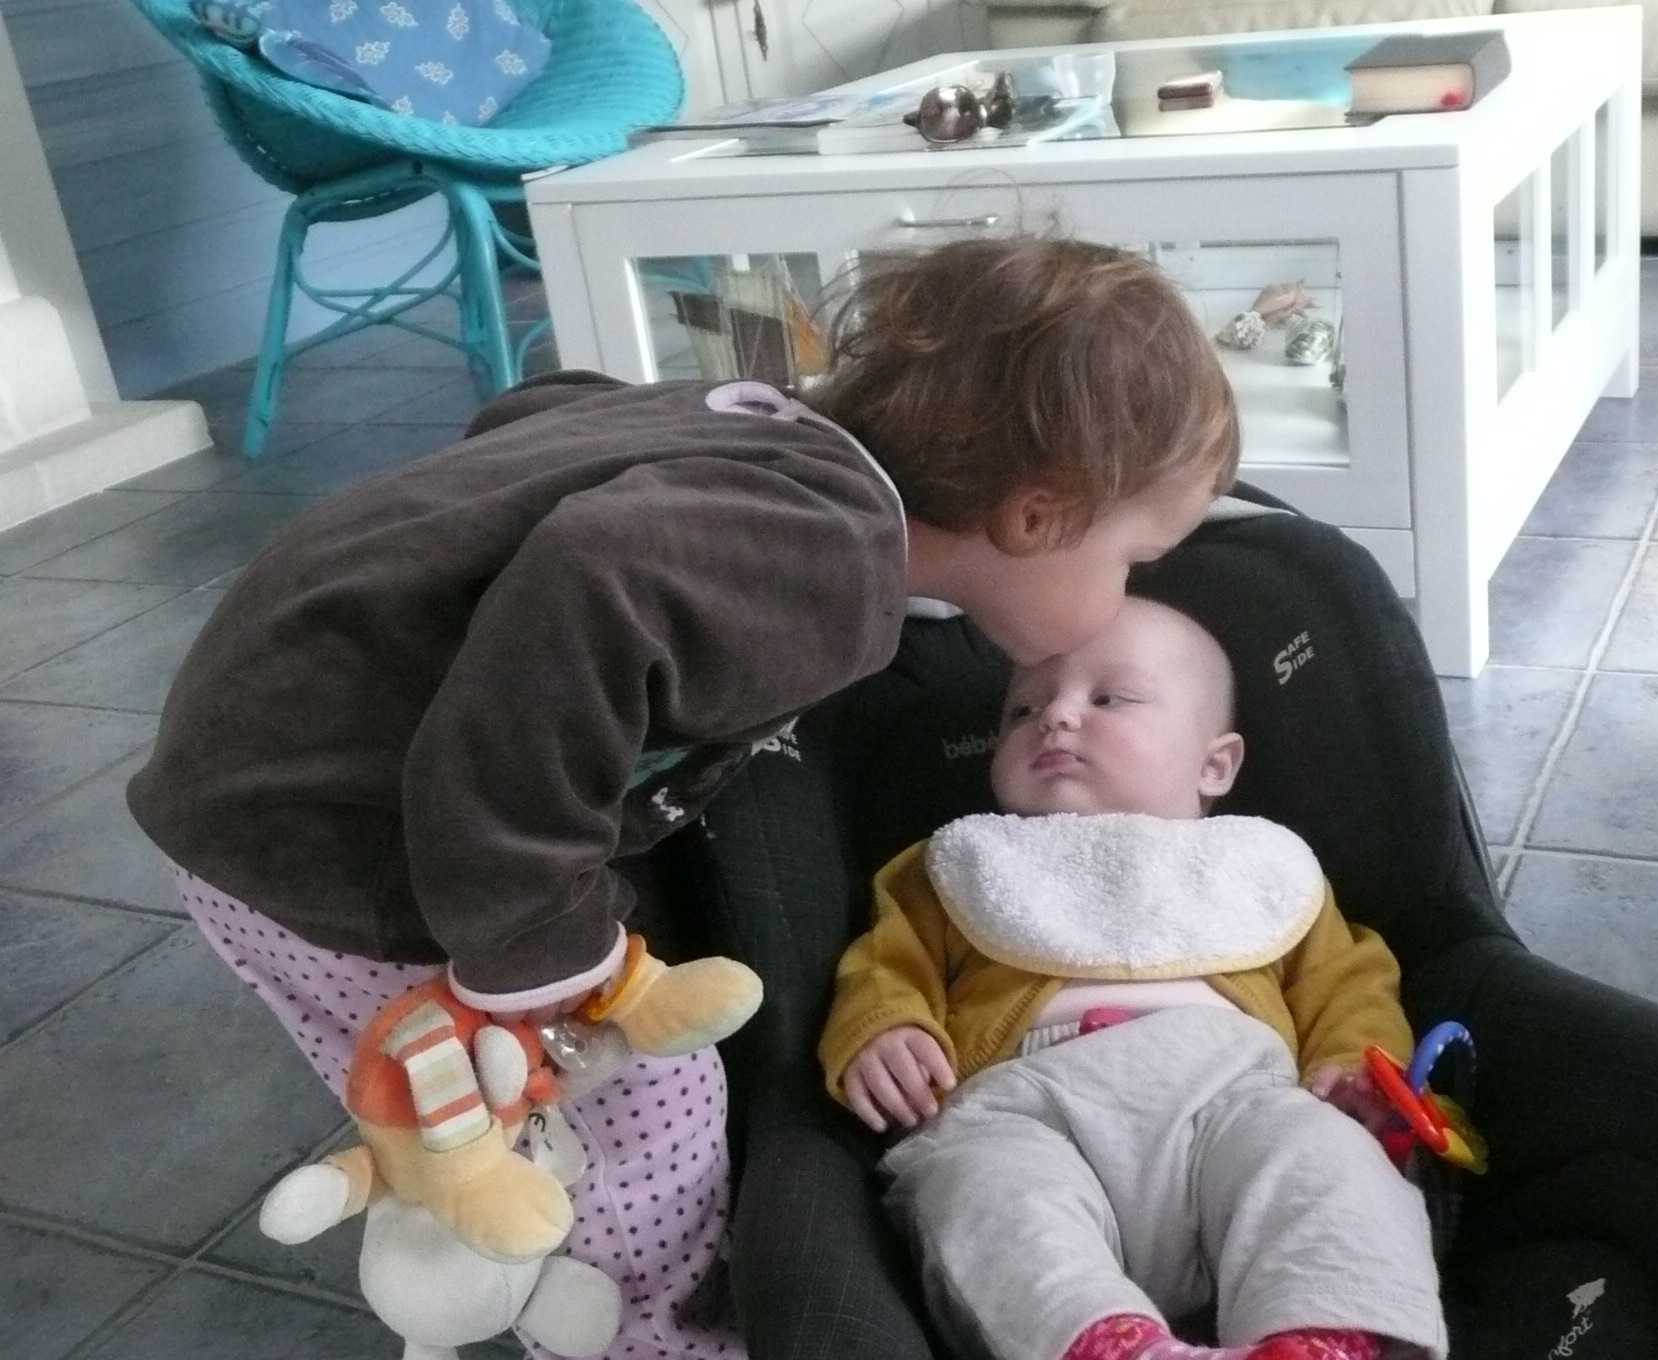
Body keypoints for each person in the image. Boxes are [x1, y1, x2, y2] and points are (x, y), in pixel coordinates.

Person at [126, 237, 1240, 1360]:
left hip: (248, 733)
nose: (1126, 593)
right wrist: (532, 931)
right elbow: (595, 569)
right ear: (1035, 518)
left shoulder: (772, 431)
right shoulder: (827, 566)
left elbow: (540, 410)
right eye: (1131, 558)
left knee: (487, 1110)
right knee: (633, 1102)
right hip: (321, 822)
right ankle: (655, 1335)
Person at [820, 598, 1448, 1360]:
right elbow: (885, 963)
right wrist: (886, 1026)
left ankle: (1320, 1337)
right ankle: (1109, 1345)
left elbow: (1350, 984)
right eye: (1023, 710)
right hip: (1029, 1112)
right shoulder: (963, 864)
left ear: (1215, 764)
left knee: (1329, 1158)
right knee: (976, 1189)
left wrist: (1353, 1067)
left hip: (1235, 1101)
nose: (1055, 717)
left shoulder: (1261, 869)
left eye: (1109, 698)